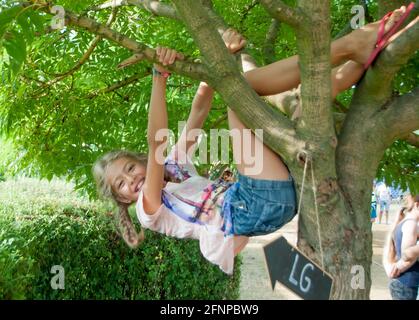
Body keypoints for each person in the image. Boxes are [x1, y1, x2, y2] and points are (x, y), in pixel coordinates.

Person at [93, 7, 417, 274]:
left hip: (266, 194)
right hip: (250, 206)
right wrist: (159, 78)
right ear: (121, 199)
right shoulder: (148, 209)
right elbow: (156, 147)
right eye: (120, 184)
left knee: (296, 96)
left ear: (134, 161)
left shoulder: (176, 165)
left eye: (127, 169)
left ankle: (363, 52)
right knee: (240, 91)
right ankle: (348, 45)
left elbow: (199, 109)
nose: (130, 180)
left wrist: (220, 59)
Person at [383, 194, 419, 300]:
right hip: (406, 284)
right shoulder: (411, 224)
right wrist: (399, 267)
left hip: (404, 283)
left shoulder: (406, 222)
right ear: (417, 205)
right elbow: (407, 255)